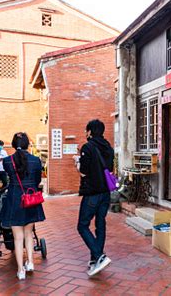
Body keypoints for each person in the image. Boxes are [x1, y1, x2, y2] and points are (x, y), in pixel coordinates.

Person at [0, 132, 45, 280]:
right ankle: (30, 262)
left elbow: (8, 178)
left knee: (18, 237)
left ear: (13, 144)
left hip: (14, 199)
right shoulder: (36, 160)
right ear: (27, 144)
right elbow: (37, 180)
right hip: (30, 198)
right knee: (28, 233)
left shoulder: (7, 161)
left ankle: (20, 270)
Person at [76, 119, 114, 277]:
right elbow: (109, 169)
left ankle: (99, 255)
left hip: (92, 193)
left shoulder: (88, 147)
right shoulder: (108, 147)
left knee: (82, 226)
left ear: (90, 131)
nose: (86, 134)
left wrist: (77, 163)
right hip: (106, 192)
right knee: (100, 224)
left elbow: (84, 172)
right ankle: (95, 260)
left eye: (86, 131)